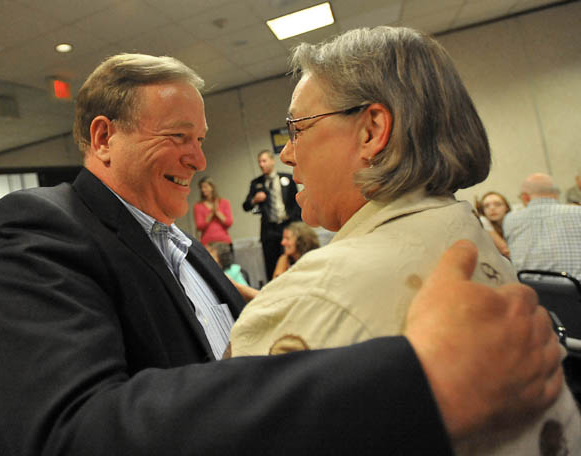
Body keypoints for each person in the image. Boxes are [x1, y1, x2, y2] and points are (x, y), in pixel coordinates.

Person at [0, 52, 563, 456]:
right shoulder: (38, 225)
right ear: (103, 138)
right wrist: (415, 378)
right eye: (178, 138)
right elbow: (68, 434)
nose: (199, 161)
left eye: (200, 140)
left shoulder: (180, 244)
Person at [227, 27, 580, 455]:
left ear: (372, 130)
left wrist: (277, 309)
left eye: (298, 127)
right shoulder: (461, 227)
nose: (287, 152)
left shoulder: (318, 293)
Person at [504, 172, 581, 279]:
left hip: (534, 290)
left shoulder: (510, 219)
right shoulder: (577, 213)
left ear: (525, 197)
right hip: (575, 289)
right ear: (557, 194)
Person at [242, 150, 301, 281]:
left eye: (264, 161)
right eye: (259, 162)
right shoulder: (256, 183)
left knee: (294, 261)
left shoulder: (287, 179)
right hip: (269, 231)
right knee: (272, 266)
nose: (261, 165)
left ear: (272, 161)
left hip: (288, 227)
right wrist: (254, 200)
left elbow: (296, 203)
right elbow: (246, 206)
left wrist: (297, 225)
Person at [193, 176, 234, 245]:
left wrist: (217, 212)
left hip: (224, 241)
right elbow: (199, 226)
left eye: (205, 187)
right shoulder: (198, 206)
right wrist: (211, 213)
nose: (203, 190)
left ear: (212, 187)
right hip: (207, 243)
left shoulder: (224, 202)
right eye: (201, 188)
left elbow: (229, 223)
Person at [478, 191, 511, 258]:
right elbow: (505, 250)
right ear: (483, 210)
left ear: (506, 207)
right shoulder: (483, 223)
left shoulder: (514, 223)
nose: (492, 208)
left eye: (497, 204)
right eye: (486, 206)